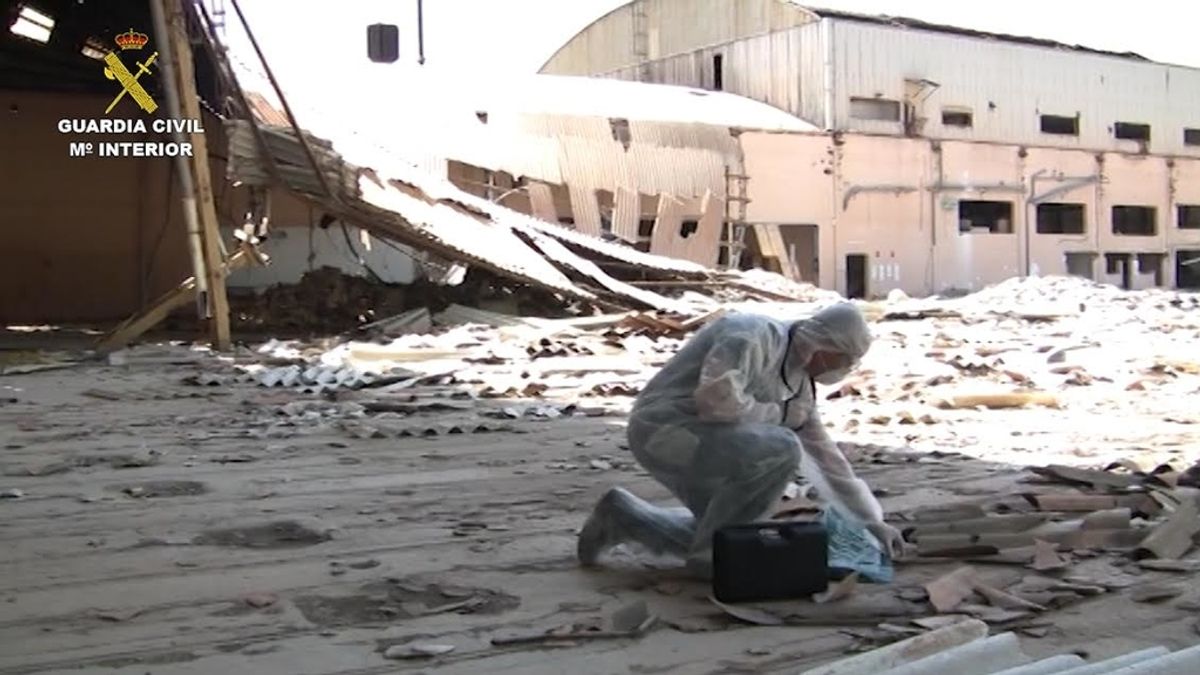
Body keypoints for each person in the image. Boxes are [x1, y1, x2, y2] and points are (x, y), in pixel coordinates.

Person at [576, 302, 905, 578]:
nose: (843, 370)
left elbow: (828, 461)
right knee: (781, 451)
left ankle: (622, 516)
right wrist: (781, 416)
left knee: (728, 527)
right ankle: (714, 558)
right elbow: (716, 402)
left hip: (711, 442)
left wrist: (871, 522)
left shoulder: (799, 386)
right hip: (664, 428)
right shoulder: (752, 335)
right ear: (824, 346)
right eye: (843, 360)